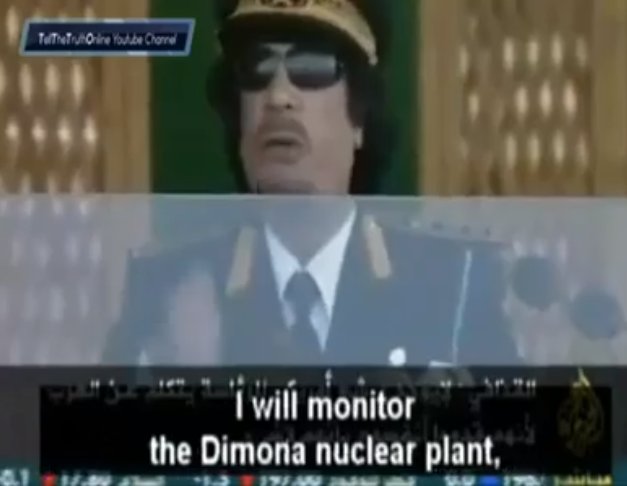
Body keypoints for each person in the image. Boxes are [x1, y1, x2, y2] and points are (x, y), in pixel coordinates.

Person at [102, 0, 521, 367]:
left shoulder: (451, 288)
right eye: (257, 68)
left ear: (359, 118)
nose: (278, 96)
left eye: (311, 67)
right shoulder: (167, 288)